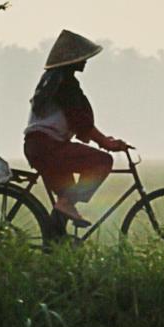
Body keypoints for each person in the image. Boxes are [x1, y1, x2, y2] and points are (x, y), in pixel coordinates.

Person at [24, 30, 131, 243]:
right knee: (102, 161)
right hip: (49, 147)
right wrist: (106, 144)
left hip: (40, 147)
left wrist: (103, 139)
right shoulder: (65, 84)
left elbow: (81, 123)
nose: (85, 62)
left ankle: (55, 247)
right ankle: (65, 204)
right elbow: (81, 121)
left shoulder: (52, 81)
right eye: (82, 58)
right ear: (72, 60)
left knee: (64, 206)